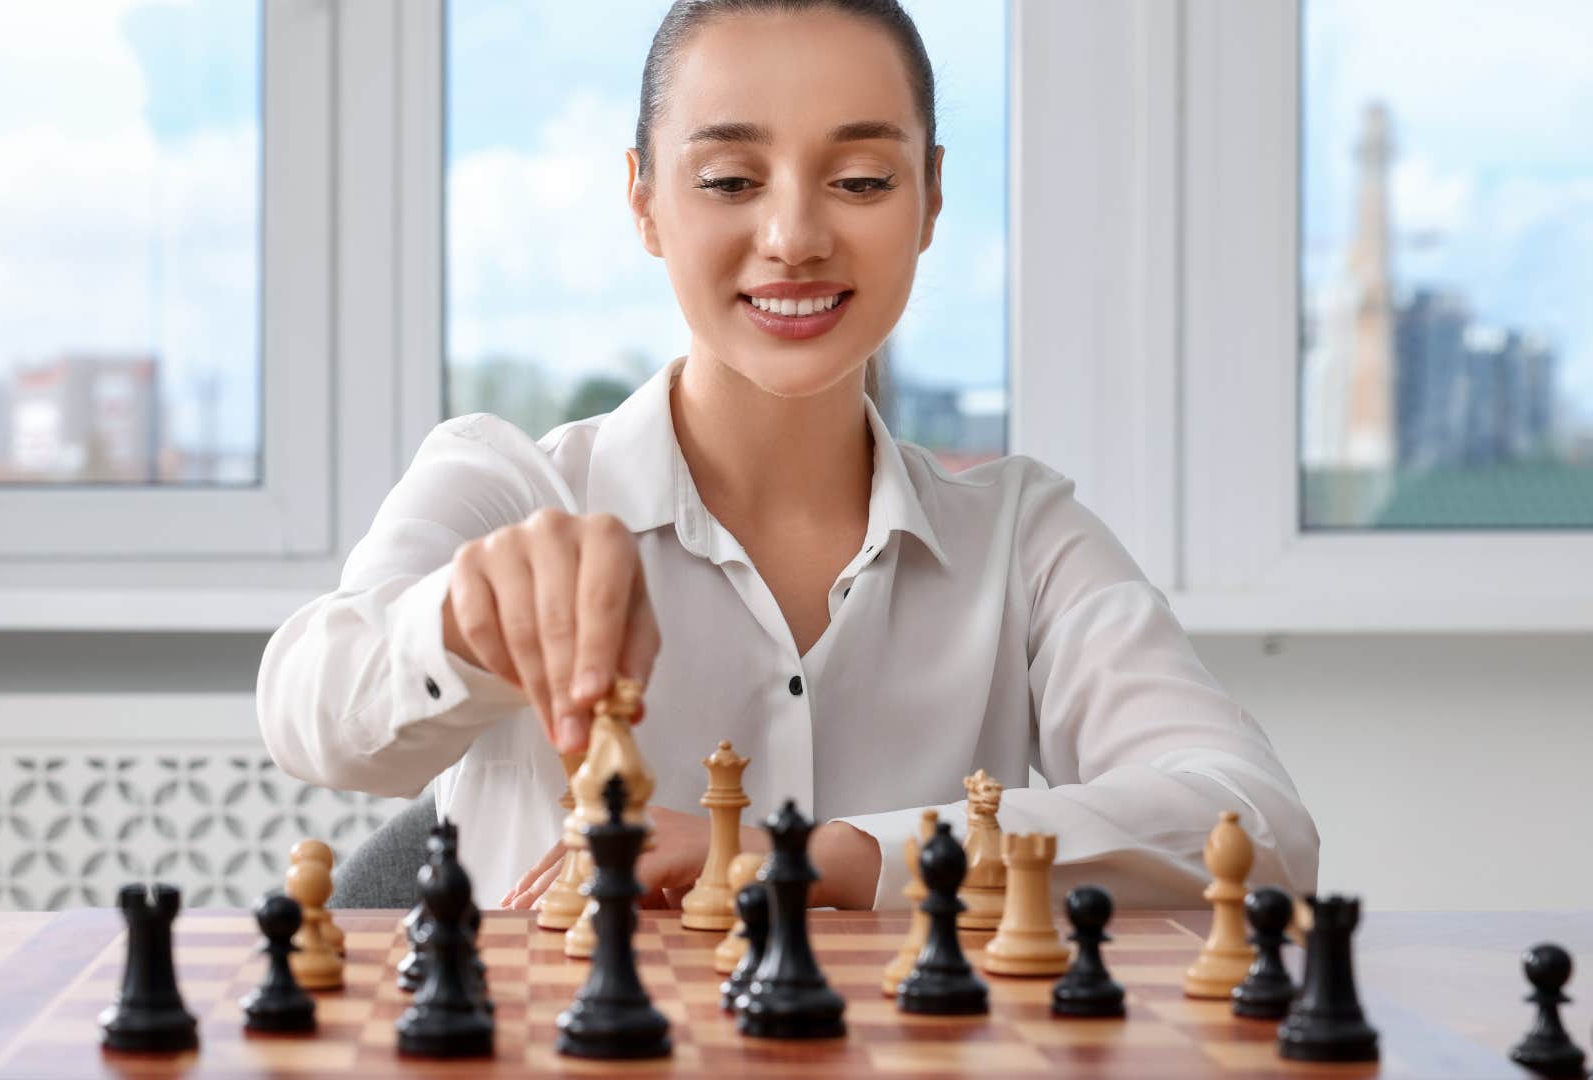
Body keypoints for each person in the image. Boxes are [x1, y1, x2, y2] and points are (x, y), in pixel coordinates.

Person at [257, 0, 1319, 912]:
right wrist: (465, 621)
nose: (794, 237)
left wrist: (813, 861)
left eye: (860, 179)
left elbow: (1256, 825)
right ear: (643, 200)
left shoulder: (1022, 541)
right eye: (729, 180)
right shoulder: (513, 487)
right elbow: (312, 712)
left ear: (931, 197)